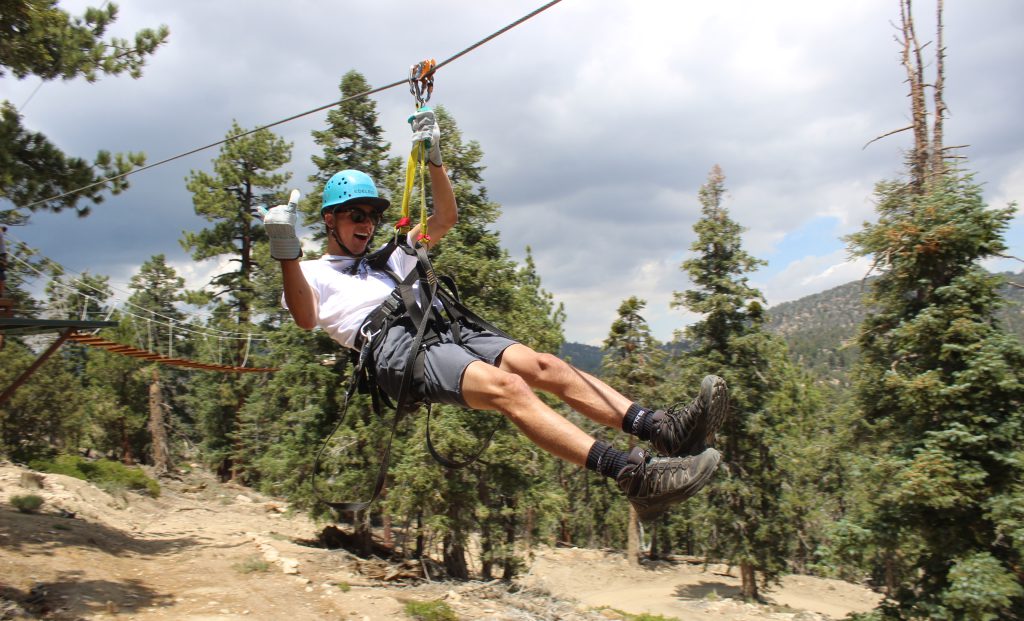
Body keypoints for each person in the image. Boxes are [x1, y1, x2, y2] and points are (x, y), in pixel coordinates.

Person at [262, 108, 728, 520]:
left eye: (369, 216)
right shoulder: (312, 272)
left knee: (546, 365)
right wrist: (285, 252)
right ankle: (633, 476)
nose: (365, 224)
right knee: (509, 388)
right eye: (354, 215)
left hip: (441, 325)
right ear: (330, 221)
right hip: (394, 348)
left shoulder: (393, 256)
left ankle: (661, 429)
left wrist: (435, 160)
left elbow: (444, 218)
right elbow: (305, 317)